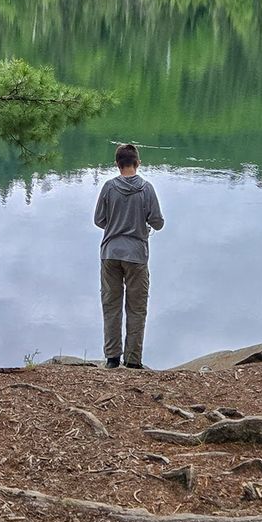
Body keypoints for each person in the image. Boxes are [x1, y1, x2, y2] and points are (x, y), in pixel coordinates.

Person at [94, 142, 164, 369]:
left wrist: (115, 224)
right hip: (136, 256)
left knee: (111, 306)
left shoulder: (108, 187)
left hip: (110, 253)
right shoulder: (147, 188)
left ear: (117, 165)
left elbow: (99, 220)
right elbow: (158, 222)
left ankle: (112, 359)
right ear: (138, 163)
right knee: (136, 308)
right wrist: (143, 223)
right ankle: (133, 361)